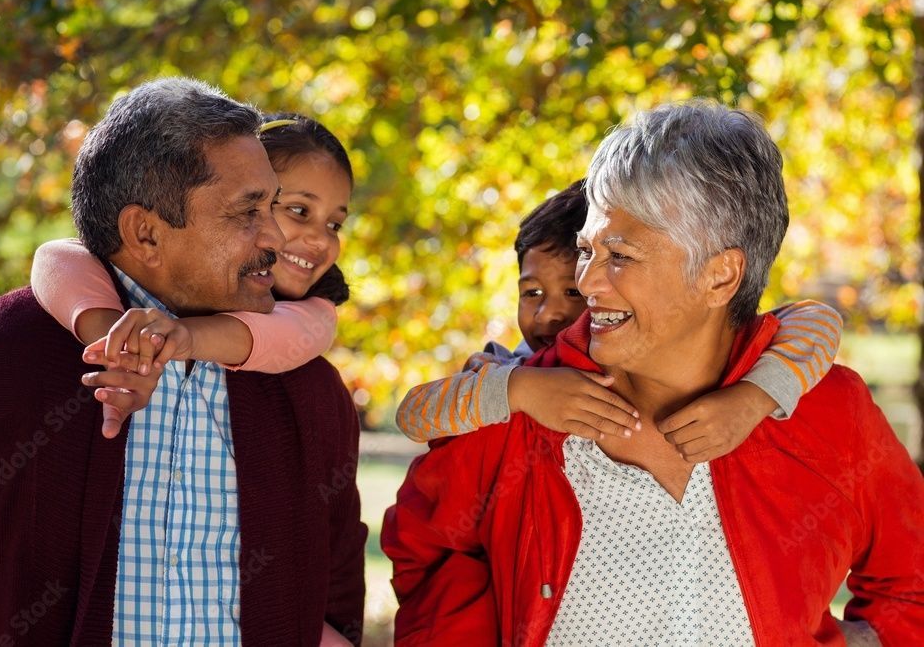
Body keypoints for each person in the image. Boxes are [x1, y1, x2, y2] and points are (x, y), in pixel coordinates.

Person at [382, 101, 924, 645]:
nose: (587, 284)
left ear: (719, 276)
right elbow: (431, 553)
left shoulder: (832, 411)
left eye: (620, 255)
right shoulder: (515, 406)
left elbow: (911, 584)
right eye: (586, 250)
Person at [0, 78, 366, 646]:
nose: (278, 237)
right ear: (145, 232)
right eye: (248, 211)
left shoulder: (311, 388)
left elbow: (338, 587)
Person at [396, 180, 842, 465]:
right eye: (531, 293)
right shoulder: (507, 366)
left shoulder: (709, 353)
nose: (549, 313)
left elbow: (818, 320)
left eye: (573, 292)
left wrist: (752, 399)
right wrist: (520, 389)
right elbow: (413, 415)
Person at [29, 113, 353, 438]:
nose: (321, 239)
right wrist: (119, 346)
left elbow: (284, 332)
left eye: (334, 225)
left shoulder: (316, 315)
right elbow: (54, 257)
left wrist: (178, 337)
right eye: (298, 210)